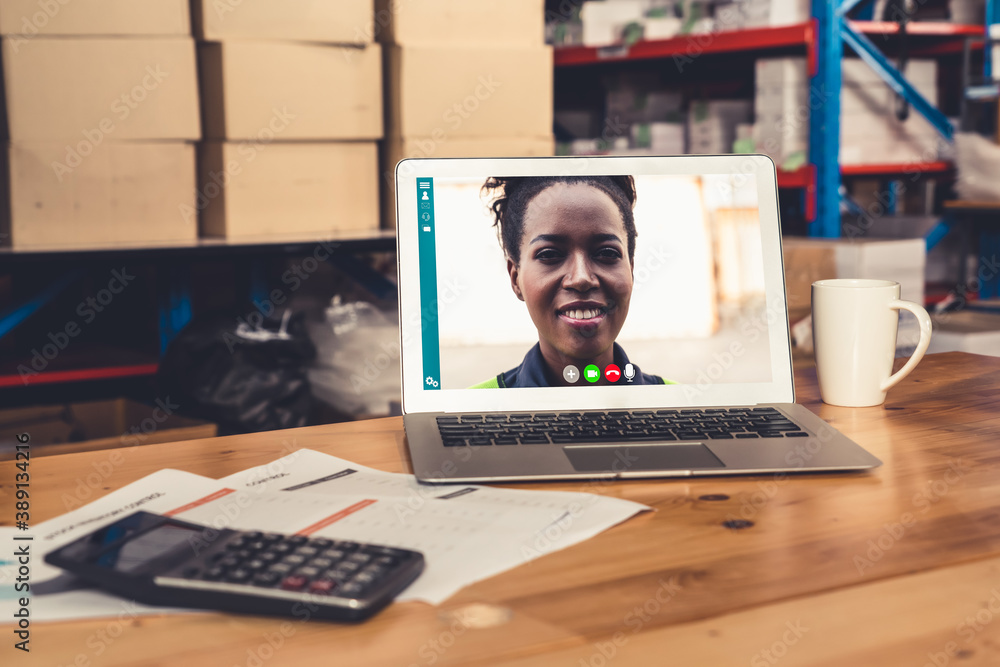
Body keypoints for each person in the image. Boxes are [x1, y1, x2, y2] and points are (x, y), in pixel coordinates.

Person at [470, 175, 671, 388]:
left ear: (630, 270)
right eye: (549, 254)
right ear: (515, 278)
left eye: (606, 253)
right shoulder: (472, 411)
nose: (581, 278)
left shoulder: (677, 405)